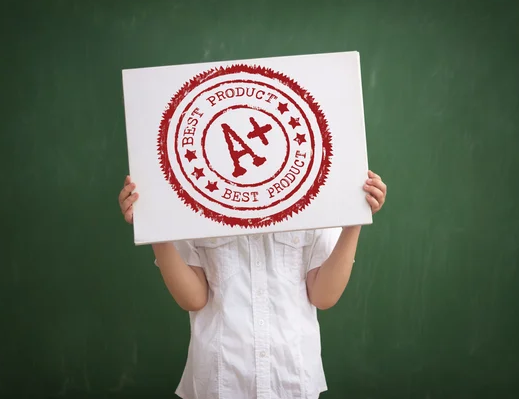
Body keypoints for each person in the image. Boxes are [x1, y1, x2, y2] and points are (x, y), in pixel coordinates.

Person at [118, 170, 387, 399]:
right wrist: (154, 229)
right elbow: (194, 298)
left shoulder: (314, 189)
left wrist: (354, 222)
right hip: (219, 380)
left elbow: (323, 295)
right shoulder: (192, 191)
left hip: (292, 378)